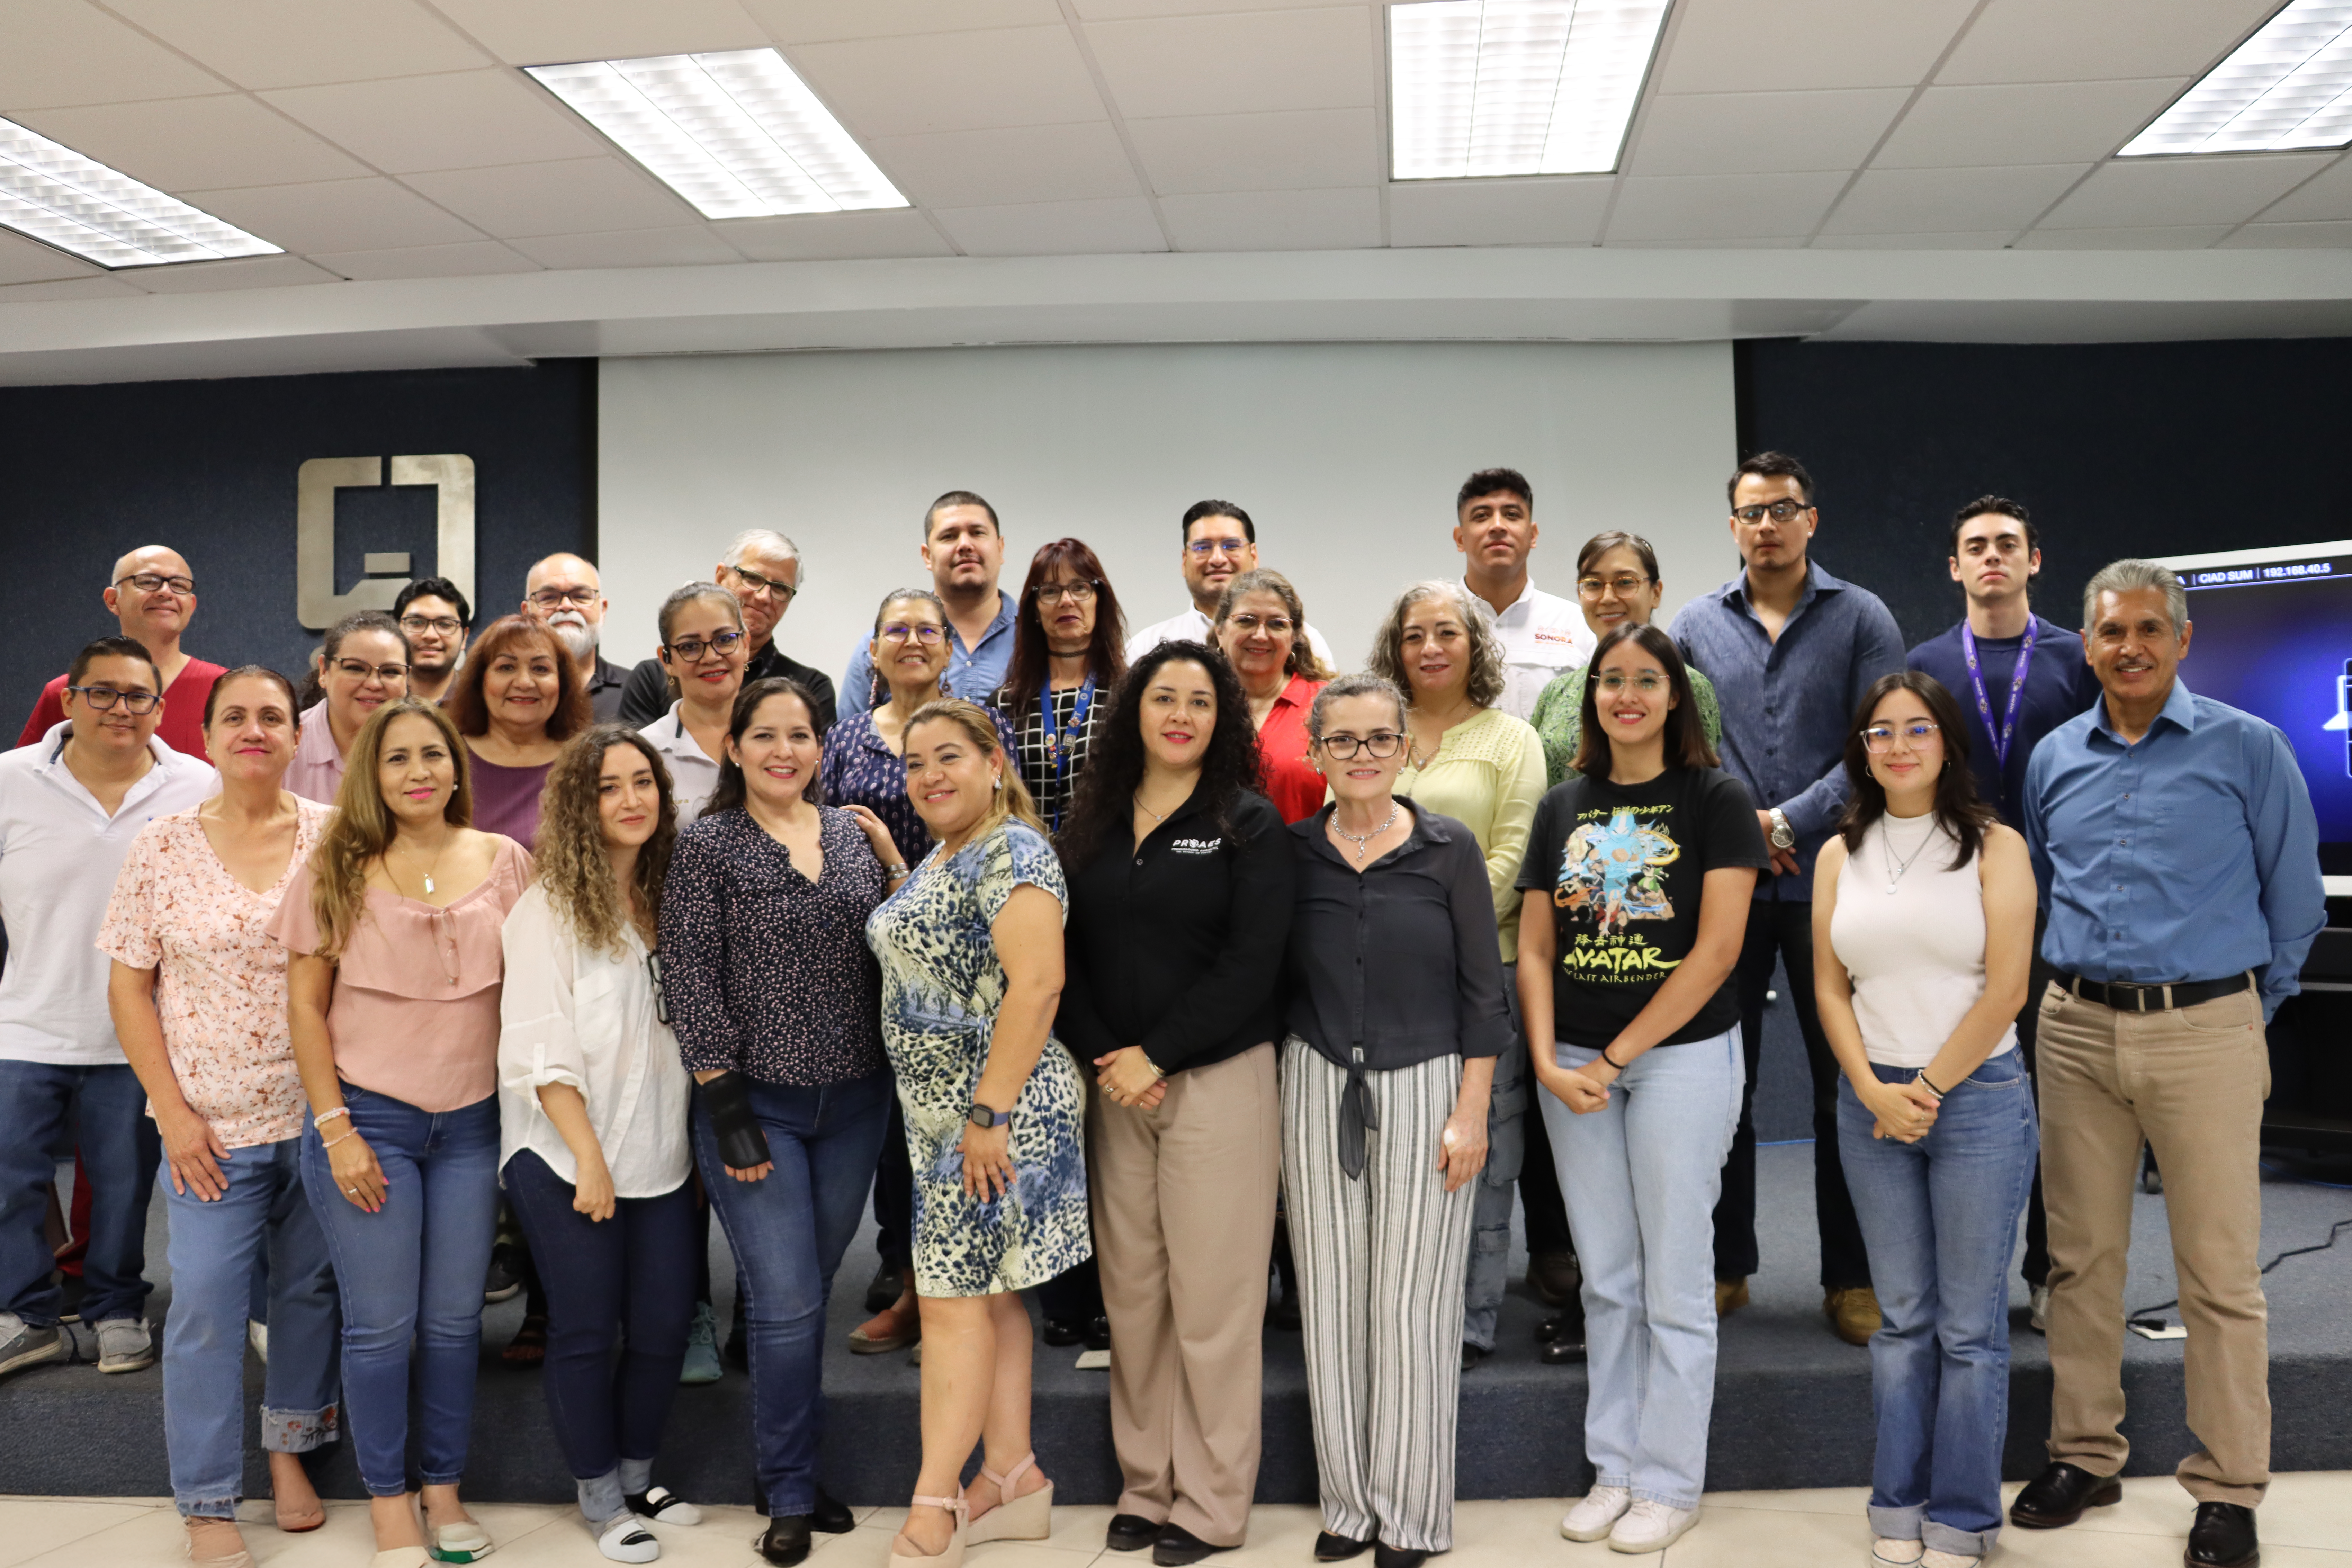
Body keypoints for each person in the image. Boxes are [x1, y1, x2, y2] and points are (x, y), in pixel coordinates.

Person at [2010, 560, 2323, 1568]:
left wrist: (2238, 1016)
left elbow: (2294, 903)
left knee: (2217, 1275)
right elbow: (2042, 884)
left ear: (2182, 640)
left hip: (2204, 1032)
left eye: (2150, 629)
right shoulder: (2053, 758)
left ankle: (2226, 1486)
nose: (2129, 648)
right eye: (2111, 632)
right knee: (2078, 1262)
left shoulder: (2248, 747)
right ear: (2088, 645)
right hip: (2073, 1031)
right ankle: (2083, 1454)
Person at [1515, 623, 1766, 1556]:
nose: (1626, 695)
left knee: (1674, 1275)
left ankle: (1668, 1482)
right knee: (1608, 1277)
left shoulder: (1715, 798)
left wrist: (1614, 1057)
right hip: (1572, 1064)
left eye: (1646, 680)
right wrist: (1547, 1060)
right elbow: (1534, 948)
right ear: (1591, 697)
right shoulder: (1563, 805)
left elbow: (1718, 952)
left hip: (1678, 1060)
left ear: (1675, 697)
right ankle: (1613, 1469)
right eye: (1610, 680)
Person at [269, 698, 533, 1567]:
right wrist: (336, 1129)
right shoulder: (335, 867)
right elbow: (304, 1008)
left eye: (432, 754)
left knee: (454, 1323)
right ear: (370, 776)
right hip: (369, 1121)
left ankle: (443, 1489)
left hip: (471, 1128)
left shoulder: (506, 861)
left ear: (457, 766)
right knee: (382, 1326)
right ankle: (388, 1500)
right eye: (396, 758)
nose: (418, 771)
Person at [1056, 643, 1292, 1565]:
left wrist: (1158, 1053)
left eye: (1200, 700)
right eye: (1164, 697)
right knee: (1135, 1294)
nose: (1181, 714)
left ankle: (1212, 1500)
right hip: (1115, 1083)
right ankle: (1145, 1484)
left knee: (1213, 1300)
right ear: (1135, 712)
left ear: (1222, 718)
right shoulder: (1093, 821)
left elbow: (1253, 963)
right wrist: (1109, 1055)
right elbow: (1062, 955)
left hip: (1217, 1080)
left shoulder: (1247, 821)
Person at [97, 667, 338, 1566]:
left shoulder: (334, 836)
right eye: (234, 716)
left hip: (319, 1120)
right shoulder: (161, 845)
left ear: (297, 736)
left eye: (273, 716)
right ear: (204, 736)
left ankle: (289, 1452)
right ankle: (205, 1500)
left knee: (307, 1296)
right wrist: (171, 1111)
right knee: (202, 1306)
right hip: (210, 1131)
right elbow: (129, 986)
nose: (254, 729)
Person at [661, 678, 902, 1567]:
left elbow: (898, 943)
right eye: (763, 735)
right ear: (734, 748)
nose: (783, 750)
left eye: (799, 734)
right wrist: (724, 1105)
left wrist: (895, 864)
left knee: (807, 1287)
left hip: (856, 1103)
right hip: (755, 1104)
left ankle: (785, 1471)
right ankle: (791, 1490)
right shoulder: (707, 843)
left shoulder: (851, 834)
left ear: (819, 746)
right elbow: (689, 975)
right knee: (789, 1299)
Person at [1667, 450, 1904, 1343]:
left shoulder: (1862, 616)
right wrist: (1744, 831)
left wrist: (1784, 824)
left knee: (1846, 1083)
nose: (1766, 525)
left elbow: (1877, 737)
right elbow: (1684, 746)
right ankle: (1726, 1266)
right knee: (1720, 1084)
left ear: (1810, 518)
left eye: (1782, 509)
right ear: (1732, 526)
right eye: (1751, 512)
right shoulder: (1694, 624)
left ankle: (1852, 1277)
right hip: (1726, 889)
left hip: (1836, 880)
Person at [1284, 674, 1506, 1568]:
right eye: (1343, 740)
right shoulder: (1291, 852)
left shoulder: (1449, 848)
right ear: (1316, 754)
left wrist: (1473, 1110)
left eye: (1381, 737)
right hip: (1314, 1082)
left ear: (1406, 747)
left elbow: (1483, 992)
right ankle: (1348, 1505)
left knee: (1413, 1305)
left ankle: (1411, 1515)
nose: (1364, 754)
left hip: (1429, 1086)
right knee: (1331, 1303)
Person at [1817, 672, 2037, 1568]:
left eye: (1917, 729)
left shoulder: (1994, 846)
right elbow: (1830, 987)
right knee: (1902, 1320)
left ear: (1947, 742)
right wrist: (1873, 1088)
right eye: (1880, 732)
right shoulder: (1839, 853)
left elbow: (2008, 988)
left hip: (1976, 1098)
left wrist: (1926, 1089)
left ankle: (1963, 1517)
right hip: (1869, 1102)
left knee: (1969, 1327)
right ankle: (1898, 1503)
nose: (1898, 745)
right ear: (1862, 750)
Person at [864, 699, 1087, 1568]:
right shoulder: (948, 850)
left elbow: (1038, 985)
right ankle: (1012, 1474)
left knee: (951, 1307)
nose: (930, 775)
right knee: (989, 1298)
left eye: (949, 756)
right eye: (915, 762)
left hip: (994, 1115)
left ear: (995, 763)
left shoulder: (1014, 852)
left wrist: (989, 1115)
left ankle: (933, 1505)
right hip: (944, 1121)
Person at [500, 726, 705, 1563]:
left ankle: (638, 1475)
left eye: (642, 782)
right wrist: (587, 1156)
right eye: (608, 787)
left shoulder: (671, 898)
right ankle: (599, 1498)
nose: (630, 799)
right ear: (578, 807)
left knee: (662, 1328)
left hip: (660, 1155)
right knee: (586, 1329)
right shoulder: (546, 909)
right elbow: (537, 1047)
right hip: (563, 1155)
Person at [1904, 497, 2104, 1333]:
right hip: (1950, 909)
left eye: (2007, 545)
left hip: (2057, 911)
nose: (1992, 556)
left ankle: (2050, 1273)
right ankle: (1948, 1279)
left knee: (2058, 1104)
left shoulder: (2075, 658)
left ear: (2033, 560)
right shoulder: (1923, 664)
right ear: (1954, 566)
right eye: (1975, 546)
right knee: (1951, 1091)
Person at [0, 638, 216, 1385]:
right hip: (25, 1021)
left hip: (139, 1034)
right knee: (10, 1179)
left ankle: (116, 1307)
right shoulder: (9, 779)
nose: (121, 708)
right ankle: (25, 1314)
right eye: (103, 692)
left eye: (138, 695)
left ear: (159, 706)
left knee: (124, 1188)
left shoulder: (197, 784)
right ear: (68, 699)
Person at [1366, 581, 1544, 1371]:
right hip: (1382, 981)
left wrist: (1434, 937)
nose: (1430, 647)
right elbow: (1349, 838)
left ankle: (1471, 1319)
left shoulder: (1510, 740)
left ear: (1475, 645)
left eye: (1446, 632)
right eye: (1413, 635)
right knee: (1396, 1148)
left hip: (1483, 974)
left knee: (1485, 1149)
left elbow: (1511, 856)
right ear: (1394, 648)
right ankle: (1401, 1309)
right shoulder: (1375, 735)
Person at [822, 588, 956, 1358]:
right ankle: (905, 1272)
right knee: (893, 1132)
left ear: (948, 647)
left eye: (926, 629)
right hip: (864, 958)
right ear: (872, 650)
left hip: (955, 960)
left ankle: (950, 1288)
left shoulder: (977, 726)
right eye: (895, 629)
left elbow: (997, 829)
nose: (911, 640)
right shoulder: (843, 739)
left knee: (945, 1124)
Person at [1530, 532, 1723, 789]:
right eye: (1594, 584)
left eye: (1625, 582)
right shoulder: (1556, 692)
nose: (1608, 597)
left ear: (1656, 593)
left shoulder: (1687, 685)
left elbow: (1699, 788)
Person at [617, 531, 839, 729]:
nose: (764, 597)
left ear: (746, 644)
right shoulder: (652, 678)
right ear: (721, 577)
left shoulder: (809, 688)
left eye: (780, 588)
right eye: (753, 578)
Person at [19, 546, 225, 757]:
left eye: (179, 585)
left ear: (192, 606)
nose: (166, 592)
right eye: (148, 581)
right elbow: (24, 773)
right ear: (113, 599)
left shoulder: (226, 691)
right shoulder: (69, 692)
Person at [839, 495, 1018, 719]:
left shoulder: (1038, 638)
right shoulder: (881, 647)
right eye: (949, 536)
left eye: (977, 533)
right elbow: (849, 736)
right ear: (927, 556)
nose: (965, 545)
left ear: (1000, 548)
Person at [995, 539, 1128, 834]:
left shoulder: (1129, 695)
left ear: (1100, 600)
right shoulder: (1005, 704)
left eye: (1080, 587)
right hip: (1027, 855)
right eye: (1051, 591)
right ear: (1034, 610)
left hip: (1107, 855)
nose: (1066, 601)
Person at [444, 613, 594, 851]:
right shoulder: (447, 759)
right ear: (480, 680)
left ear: (562, 683)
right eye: (506, 667)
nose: (524, 682)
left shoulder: (588, 764)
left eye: (540, 669)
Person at [1126, 501, 1335, 669]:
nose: (1217, 559)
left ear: (1254, 556)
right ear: (1184, 560)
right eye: (1202, 547)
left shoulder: (1305, 641)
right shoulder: (1145, 647)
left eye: (1232, 546)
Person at [1452, 468, 1591, 720]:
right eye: (1482, 516)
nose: (1497, 526)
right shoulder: (1431, 627)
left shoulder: (1579, 625)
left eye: (1512, 515)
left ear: (1533, 535)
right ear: (1460, 538)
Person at [1210, 570, 1332, 825]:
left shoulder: (1329, 705)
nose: (1260, 635)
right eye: (1246, 621)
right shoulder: (1197, 705)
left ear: (1294, 636)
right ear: (1220, 630)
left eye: (1277, 624)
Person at [637, 584, 752, 822]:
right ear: (667, 661)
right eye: (690, 646)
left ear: (745, 645)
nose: (711, 657)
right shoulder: (644, 751)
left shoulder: (781, 742)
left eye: (725, 639)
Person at [287, 611, 411, 805]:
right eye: (356, 668)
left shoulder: (428, 745)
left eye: (391, 672)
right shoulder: (283, 745)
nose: (374, 684)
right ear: (324, 671)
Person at [523, 552, 631, 722]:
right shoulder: (511, 694)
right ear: (527, 613)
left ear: (603, 610)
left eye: (581, 596)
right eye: (549, 597)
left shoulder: (636, 691)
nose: (566, 606)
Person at [394, 577, 473, 707]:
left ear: (464, 637)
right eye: (417, 623)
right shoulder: (378, 699)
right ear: (396, 631)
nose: (430, 636)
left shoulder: (482, 702)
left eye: (445, 625)